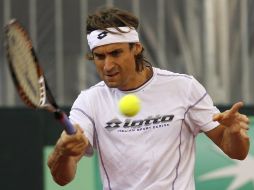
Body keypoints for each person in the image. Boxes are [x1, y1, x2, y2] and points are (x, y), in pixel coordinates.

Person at [47, 7, 250, 190]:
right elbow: (63, 178)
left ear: (136, 48)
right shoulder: (89, 101)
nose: (107, 66)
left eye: (116, 53)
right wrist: (62, 152)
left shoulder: (184, 88)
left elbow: (237, 152)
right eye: (99, 56)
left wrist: (233, 133)